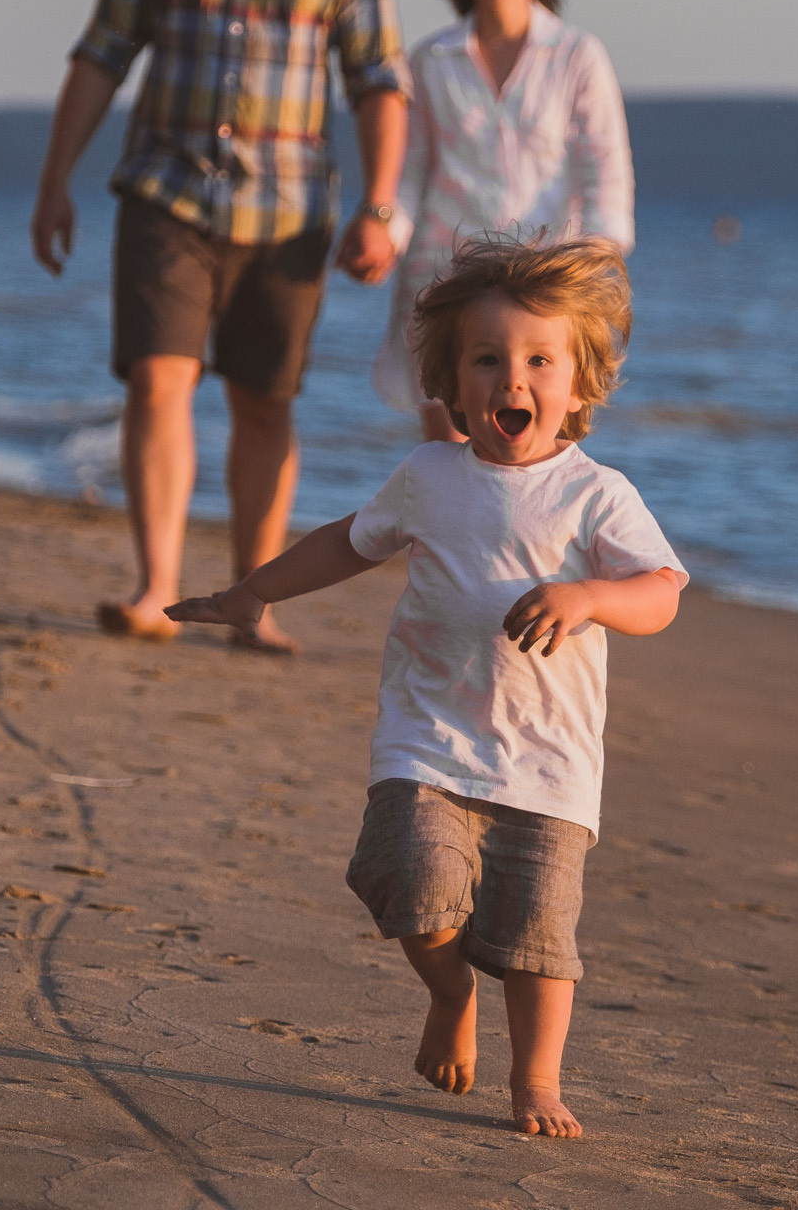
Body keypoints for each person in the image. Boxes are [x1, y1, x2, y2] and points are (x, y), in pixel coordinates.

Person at [167, 234, 685, 1137]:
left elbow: (661, 593)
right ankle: (449, 994)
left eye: (537, 361)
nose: (511, 380)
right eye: (487, 360)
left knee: (537, 941)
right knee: (412, 881)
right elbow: (347, 541)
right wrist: (254, 590)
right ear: (446, 380)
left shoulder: (597, 495)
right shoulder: (430, 475)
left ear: (580, 385)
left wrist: (591, 595)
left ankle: (536, 1084)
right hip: (428, 737)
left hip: (548, 764)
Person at [31, 0, 410, 654]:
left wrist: (381, 206)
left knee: (264, 403)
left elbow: (380, 83)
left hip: (288, 218)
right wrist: (55, 180)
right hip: (168, 192)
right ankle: (155, 586)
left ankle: (251, 600)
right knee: (159, 378)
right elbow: (101, 56)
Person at [373, 0, 633, 442]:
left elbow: (604, 167)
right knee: (449, 454)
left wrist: (598, 262)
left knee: (538, 449)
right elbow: (411, 170)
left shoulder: (577, 55)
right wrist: (384, 233)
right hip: (443, 275)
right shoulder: (429, 59)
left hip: (541, 279)